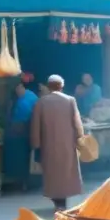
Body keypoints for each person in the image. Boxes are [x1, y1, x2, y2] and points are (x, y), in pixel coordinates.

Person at [31, 75, 84, 211]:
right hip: (67, 145)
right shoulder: (70, 100)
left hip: (48, 146)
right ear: (61, 86)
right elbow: (77, 123)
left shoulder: (41, 102)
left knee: (52, 174)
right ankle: (63, 203)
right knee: (65, 173)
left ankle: (57, 203)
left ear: (49, 86)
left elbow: (35, 125)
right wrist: (79, 138)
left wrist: (35, 143)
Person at [4, 80, 38, 190]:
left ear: (21, 87)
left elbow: (33, 115)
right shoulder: (19, 98)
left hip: (24, 131)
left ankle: (24, 182)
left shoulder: (29, 98)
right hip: (20, 132)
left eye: (17, 89)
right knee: (21, 157)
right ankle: (20, 181)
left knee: (24, 158)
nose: (17, 91)